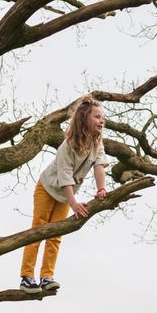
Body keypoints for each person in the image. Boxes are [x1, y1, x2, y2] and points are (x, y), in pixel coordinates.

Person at [19, 95, 108, 293]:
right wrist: (74, 203)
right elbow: (64, 177)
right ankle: (26, 277)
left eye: (102, 117)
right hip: (48, 188)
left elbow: (99, 166)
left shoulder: (97, 144)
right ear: (85, 119)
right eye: (97, 117)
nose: (102, 120)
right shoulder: (67, 146)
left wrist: (101, 188)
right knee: (39, 230)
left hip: (65, 196)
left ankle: (46, 276)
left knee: (56, 234)